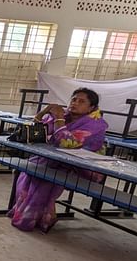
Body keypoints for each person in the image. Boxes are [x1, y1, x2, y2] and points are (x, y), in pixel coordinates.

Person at [8, 88, 108, 233]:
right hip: (57, 160)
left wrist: (59, 119)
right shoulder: (65, 116)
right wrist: (44, 113)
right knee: (29, 170)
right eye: (73, 99)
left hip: (83, 167)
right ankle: (36, 214)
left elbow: (67, 144)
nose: (75, 103)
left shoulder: (95, 124)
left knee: (45, 177)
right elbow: (32, 132)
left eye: (81, 101)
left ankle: (37, 216)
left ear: (91, 107)